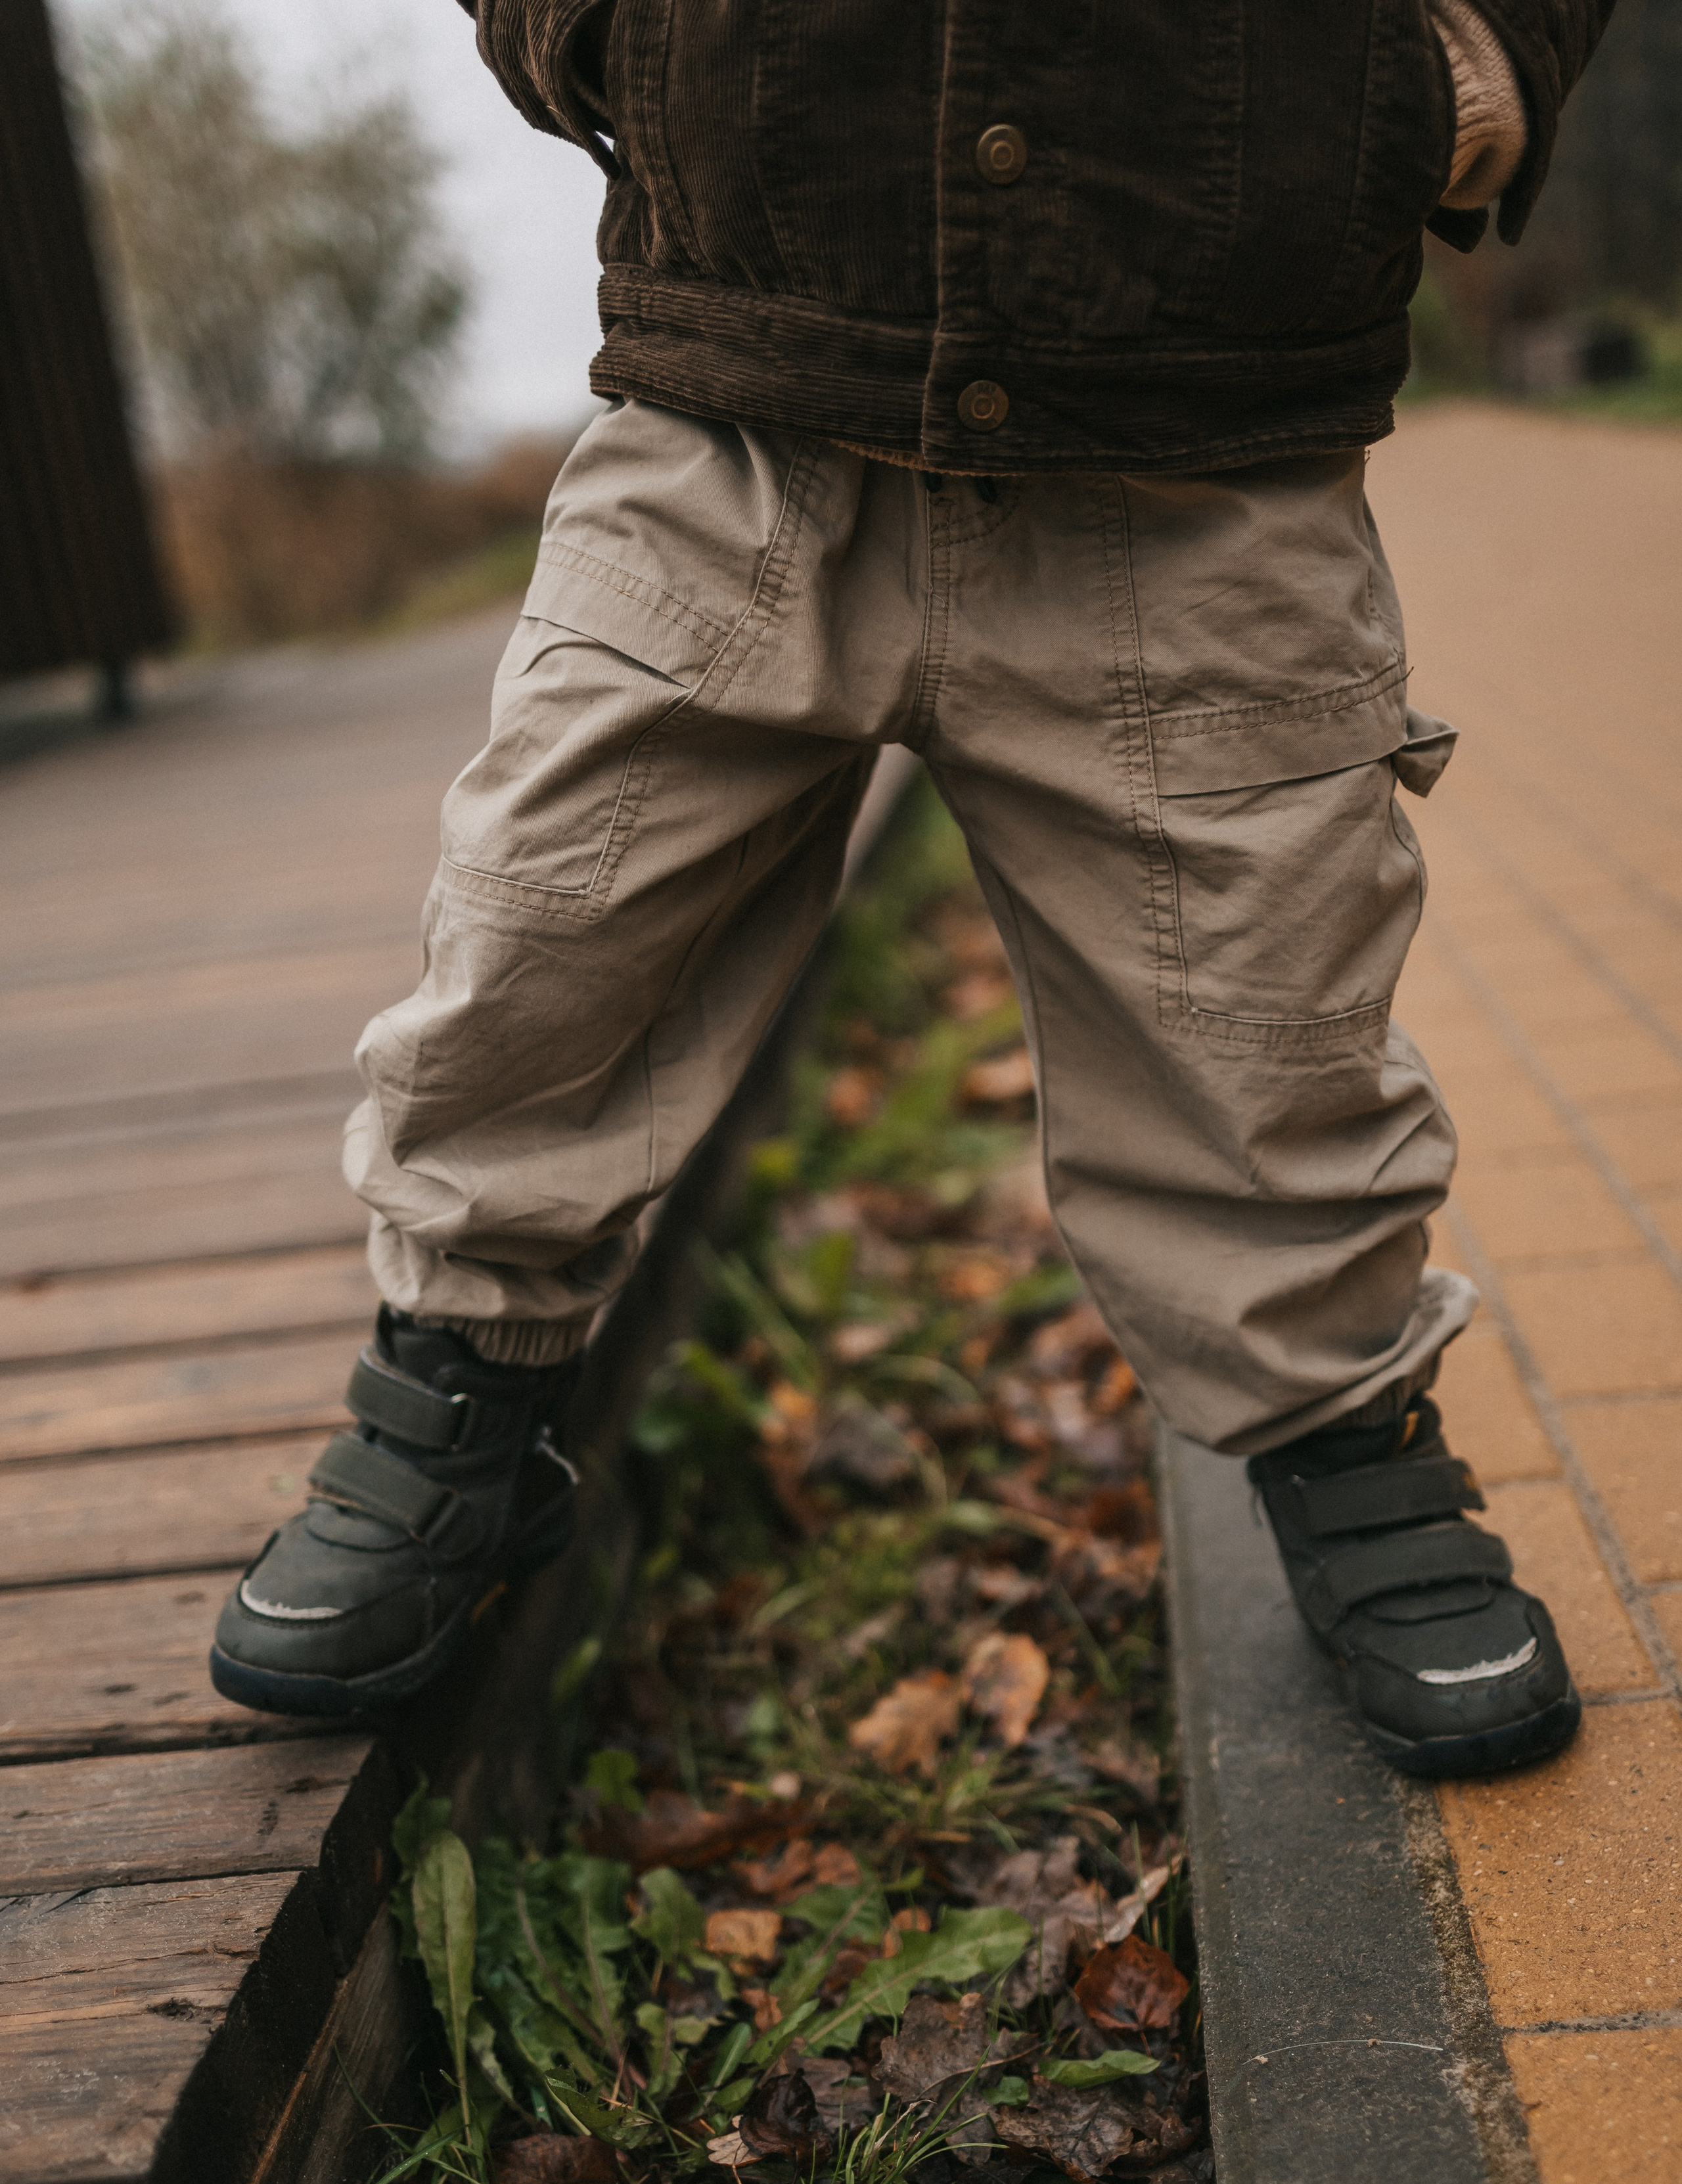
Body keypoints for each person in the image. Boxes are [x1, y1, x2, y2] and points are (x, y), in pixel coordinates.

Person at [210, 0, 1614, 1777]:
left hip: (1199, 423)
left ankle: (1349, 1442)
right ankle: (454, 1395)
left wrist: (1480, 56)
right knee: (542, 925)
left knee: (1264, 1011)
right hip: (738, 389)